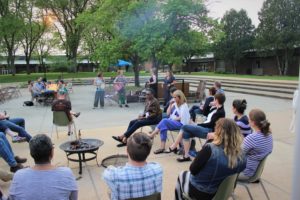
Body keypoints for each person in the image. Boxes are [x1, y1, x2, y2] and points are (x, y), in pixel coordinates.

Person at [175, 118, 246, 200]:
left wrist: (210, 141)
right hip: (223, 192)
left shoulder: (210, 148)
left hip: (203, 192)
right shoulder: (241, 154)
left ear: (218, 133)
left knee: (182, 174)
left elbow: (193, 170)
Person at [9, 134, 78, 200]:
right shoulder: (66, 173)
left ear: (31, 154)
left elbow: (12, 197)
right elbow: (73, 198)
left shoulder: (18, 175)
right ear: (52, 152)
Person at [103, 132, 163, 200]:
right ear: (148, 152)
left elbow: (108, 170)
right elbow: (151, 164)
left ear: (127, 151)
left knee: (110, 190)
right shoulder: (158, 169)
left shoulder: (114, 175)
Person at [168, 93, 226, 162]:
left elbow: (210, 124)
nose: (213, 100)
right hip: (205, 127)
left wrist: (197, 125)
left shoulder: (220, 112)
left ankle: (174, 146)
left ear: (217, 100)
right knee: (186, 133)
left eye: (214, 99)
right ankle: (186, 156)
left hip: (209, 130)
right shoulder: (215, 108)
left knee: (184, 127)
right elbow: (205, 113)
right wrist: (209, 105)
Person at [148, 90, 190, 154]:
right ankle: (161, 147)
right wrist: (170, 105)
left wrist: (173, 119)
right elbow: (168, 113)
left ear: (179, 97)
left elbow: (182, 118)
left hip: (181, 124)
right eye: (173, 97)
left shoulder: (184, 106)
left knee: (164, 121)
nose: (173, 99)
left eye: (175, 97)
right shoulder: (174, 104)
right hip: (174, 122)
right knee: (163, 126)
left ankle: (152, 135)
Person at [238, 109, 273, 181]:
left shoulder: (252, 138)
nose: (248, 121)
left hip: (245, 173)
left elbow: (237, 155)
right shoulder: (269, 134)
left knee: (219, 170)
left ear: (253, 123)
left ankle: (225, 191)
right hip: (255, 171)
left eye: (249, 119)